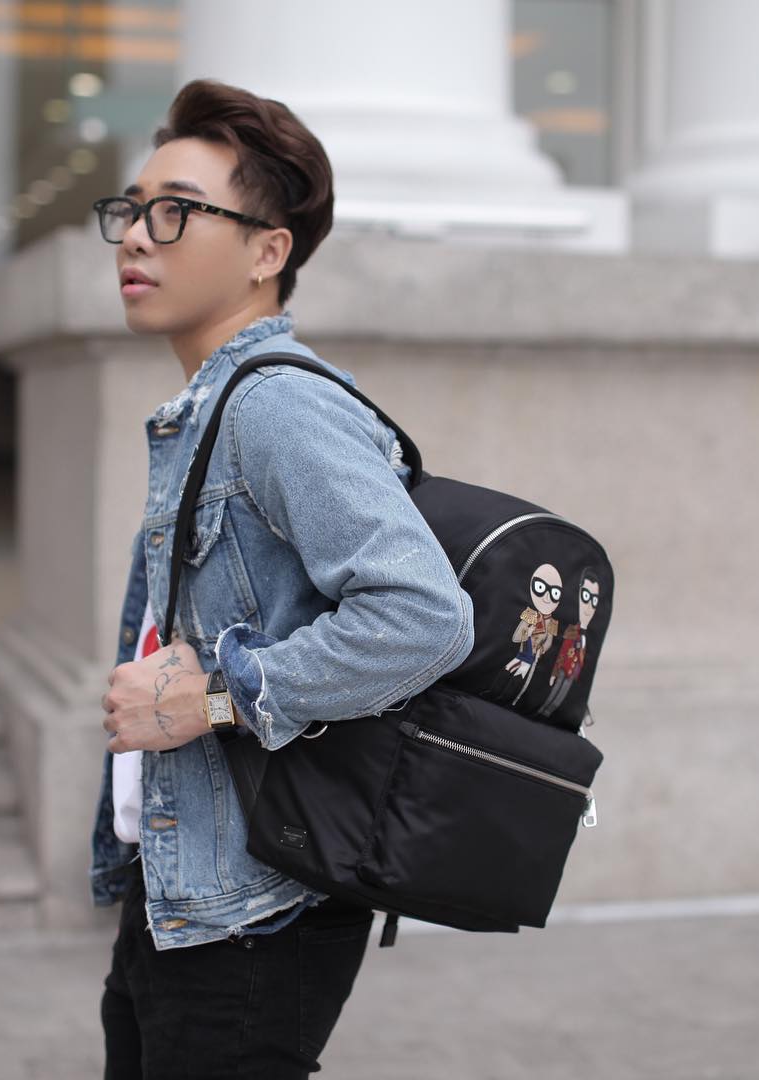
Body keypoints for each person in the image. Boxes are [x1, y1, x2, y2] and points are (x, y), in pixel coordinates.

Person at [89, 77, 475, 1079]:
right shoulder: (208, 407)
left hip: (257, 914)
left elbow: (424, 617)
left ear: (268, 252)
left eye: (175, 212)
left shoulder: (277, 410)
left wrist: (215, 697)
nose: (136, 238)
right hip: (185, 884)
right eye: (132, 209)